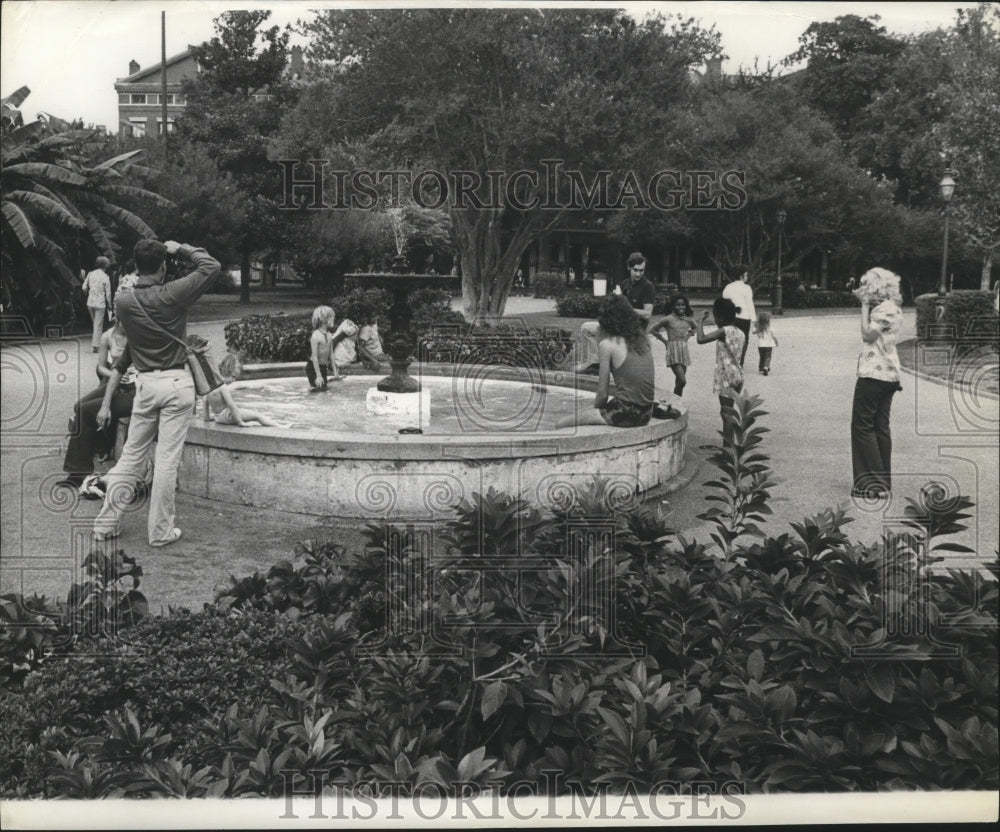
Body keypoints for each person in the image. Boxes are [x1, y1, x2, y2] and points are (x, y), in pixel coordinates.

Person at [91, 239, 220, 547]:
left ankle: (106, 525)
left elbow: (131, 345)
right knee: (166, 462)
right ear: (163, 267)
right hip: (176, 383)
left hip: (145, 384)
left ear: (135, 267)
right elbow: (211, 266)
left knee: (132, 456)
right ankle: (160, 531)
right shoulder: (174, 293)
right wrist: (184, 248)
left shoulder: (123, 300)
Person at [58, 318, 137, 493]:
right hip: (114, 381)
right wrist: (115, 374)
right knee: (79, 406)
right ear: (116, 317)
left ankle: (79, 471)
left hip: (133, 386)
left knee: (87, 410)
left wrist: (131, 372)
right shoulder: (108, 336)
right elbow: (101, 366)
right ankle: (89, 456)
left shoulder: (138, 333)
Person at [556, 294, 655, 429]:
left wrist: (595, 412)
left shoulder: (608, 345)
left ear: (605, 319)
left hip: (626, 414)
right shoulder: (642, 340)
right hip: (647, 412)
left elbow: (602, 394)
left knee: (561, 424)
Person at [850, 267, 904, 499]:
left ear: (876, 287)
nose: (863, 289)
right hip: (889, 375)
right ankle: (883, 481)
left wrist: (863, 306)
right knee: (880, 427)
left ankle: (872, 484)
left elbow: (867, 335)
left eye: (865, 284)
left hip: (874, 374)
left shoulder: (883, 309)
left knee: (862, 427)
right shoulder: (893, 307)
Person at [575, 252, 657, 373]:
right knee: (586, 328)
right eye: (635, 270)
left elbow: (647, 314)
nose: (639, 274)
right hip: (620, 325)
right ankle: (595, 362)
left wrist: (624, 306)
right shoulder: (625, 284)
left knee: (589, 329)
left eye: (642, 270)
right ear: (629, 267)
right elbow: (617, 308)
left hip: (634, 330)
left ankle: (597, 363)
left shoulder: (648, 286)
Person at [697, 297, 745, 446]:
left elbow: (701, 339)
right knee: (729, 412)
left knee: (726, 414)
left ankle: (728, 449)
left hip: (726, 377)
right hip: (738, 374)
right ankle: (729, 446)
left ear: (721, 317)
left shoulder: (724, 331)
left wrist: (700, 320)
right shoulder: (740, 332)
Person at [203, 353, 283, 427]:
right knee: (258, 416)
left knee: (254, 421)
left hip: (218, 418)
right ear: (226, 371)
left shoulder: (211, 385)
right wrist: (240, 422)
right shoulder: (223, 387)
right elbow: (231, 405)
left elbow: (205, 400)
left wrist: (207, 417)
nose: (234, 380)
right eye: (233, 376)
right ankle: (280, 427)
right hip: (228, 416)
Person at [650, 295, 697, 396]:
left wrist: (688, 337)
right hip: (673, 351)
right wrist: (665, 342)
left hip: (683, 350)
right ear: (673, 307)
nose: (681, 307)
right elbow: (653, 329)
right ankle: (675, 401)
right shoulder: (668, 319)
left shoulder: (688, 319)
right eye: (678, 305)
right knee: (682, 380)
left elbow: (695, 328)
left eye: (683, 305)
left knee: (679, 381)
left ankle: (677, 405)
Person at [721, 268, 755, 367]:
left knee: (730, 338)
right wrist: (754, 320)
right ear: (741, 276)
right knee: (744, 339)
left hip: (730, 316)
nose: (747, 277)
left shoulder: (728, 287)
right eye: (746, 275)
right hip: (744, 317)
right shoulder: (746, 288)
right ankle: (740, 362)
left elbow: (724, 302)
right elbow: (750, 304)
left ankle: (730, 360)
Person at [81, 256, 113, 352]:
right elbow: (108, 293)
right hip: (100, 304)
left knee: (95, 324)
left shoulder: (91, 274)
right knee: (98, 325)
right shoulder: (105, 277)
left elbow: (84, 287)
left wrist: (87, 291)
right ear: (105, 265)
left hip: (90, 302)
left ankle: (95, 345)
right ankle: (96, 346)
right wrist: (110, 304)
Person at [752, 311, 779, 375]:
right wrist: (776, 342)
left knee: (762, 357)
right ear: (768, 321)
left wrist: (754, 325)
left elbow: (753, 332)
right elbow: (774, 336)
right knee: (768, 357)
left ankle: (761, 369)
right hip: (769, 345)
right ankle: (766, 367)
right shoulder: (770, 328)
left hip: (760, 346)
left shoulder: (759, 328)